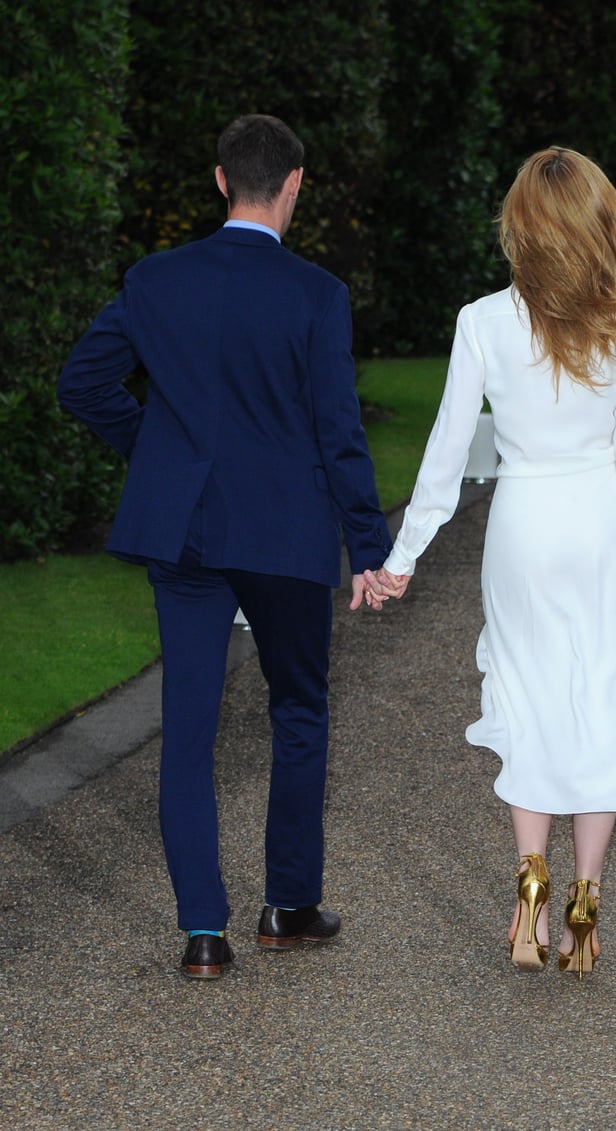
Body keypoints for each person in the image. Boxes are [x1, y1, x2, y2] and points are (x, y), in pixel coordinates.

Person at [365, 148, 616, 978]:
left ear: (520, 227)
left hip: (523, 526)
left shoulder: (481, 320)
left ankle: (528, 887)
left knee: (528, 695)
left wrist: (402, 556)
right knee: (606, 696)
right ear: (597, 223)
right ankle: (585, 895)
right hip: (603, 526)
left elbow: (444, 457)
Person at [58, 114, 392, 979]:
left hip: (189, 530)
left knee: (189, 731)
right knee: (299, 712)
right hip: (284, 531)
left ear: (219, 182)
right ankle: (288, 904)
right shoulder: (317, 294)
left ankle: (204, 930)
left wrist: (158, 456)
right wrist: (370, 543)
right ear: (292, 186)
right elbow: (338, 431)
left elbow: (83, 382)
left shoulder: (155, 278)